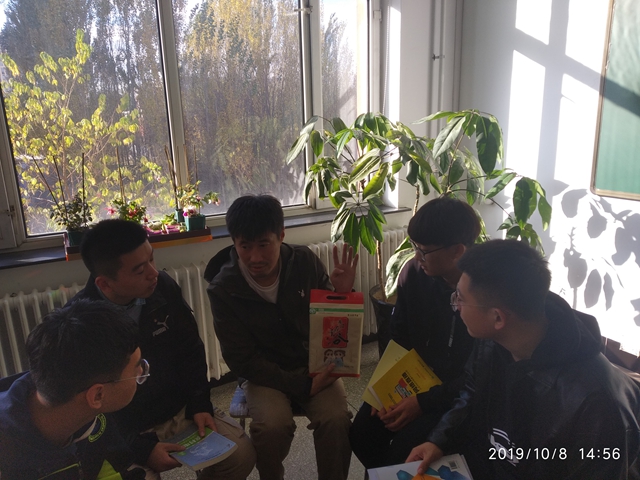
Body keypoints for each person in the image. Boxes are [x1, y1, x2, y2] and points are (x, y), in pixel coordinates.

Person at [407, 239, 640, 479]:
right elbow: (473, 390)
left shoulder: (595, 403)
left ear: (498, 318)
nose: (456, 305)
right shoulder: (494, 338)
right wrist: (439, 441)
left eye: (461, 298)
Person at [68, 219, 255, 479]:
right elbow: (90, 411)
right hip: (125, 431)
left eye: (152, 259)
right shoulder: (80, 324)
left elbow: (191, 349)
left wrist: (200, 404)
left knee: (239, 454)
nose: (153, 273)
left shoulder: (162, 287)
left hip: (178, 409)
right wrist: (141, 449)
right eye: (139, 270)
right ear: (105, 284)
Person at [204, 194, 358, 480]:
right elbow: (242, 359)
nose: (255, 257)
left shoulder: (304, 262)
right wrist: (303, 385)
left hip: (311, 362)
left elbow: (331, 328)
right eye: (245, 246)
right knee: (272, 426)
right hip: (263, 373)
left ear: (281, 236)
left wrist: (342, 294)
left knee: (336, 419)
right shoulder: (223, 288)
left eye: (264, 244)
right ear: (234, 242)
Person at [349, 196, 479, 468]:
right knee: (361, 433)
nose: (417, 257)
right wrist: (384, 389)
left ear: (457, 251)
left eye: (424, 251)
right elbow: (399, 336)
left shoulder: (483, 293)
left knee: (405, 452)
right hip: (413, 381)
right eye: (414, 247)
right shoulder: (414, 273)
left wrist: (423, 402)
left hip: (455, 397)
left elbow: (477, 377)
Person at [0, 299, 144, 479]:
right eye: (137, 370)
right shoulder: (7, 457)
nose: (142, 372)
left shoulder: (89, 414)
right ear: (97, 395)